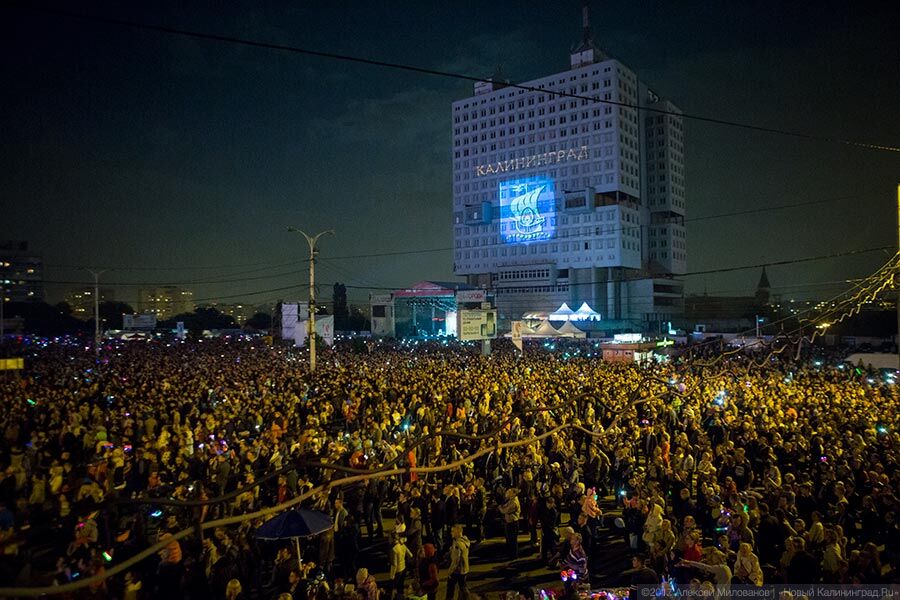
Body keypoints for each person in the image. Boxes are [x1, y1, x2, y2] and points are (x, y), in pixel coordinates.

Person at [446, 525, 470, 600]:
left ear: (457, 532)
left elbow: (456, 560)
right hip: (464, 569)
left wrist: (450, 571)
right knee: (463, 587)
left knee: (450, 588)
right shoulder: (464, 541)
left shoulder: (458, 544)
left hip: (457, 570)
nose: (451, 533)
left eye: (453, 531)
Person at [499, 488, 521, 559]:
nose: (508, 492)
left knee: (512, 540)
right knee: (509, 539)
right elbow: (505, 505)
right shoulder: (511, 500)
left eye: (510, 492)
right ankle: (510, 554)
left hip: (512, 523)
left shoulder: (514, 502)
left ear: (514, 493)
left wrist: (500, 508)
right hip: (509, 522)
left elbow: (505, 510)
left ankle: (513, 555)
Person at [390, 534, 412, 600]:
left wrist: (392, 575)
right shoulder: (402, 545)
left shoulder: (394, 549)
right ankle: (401, 596)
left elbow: (394, 564)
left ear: (393, 539)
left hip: (398, 570)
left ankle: (398, 597)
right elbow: (410, 554)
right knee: (401, 584)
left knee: (395, 586)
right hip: (403, 567)